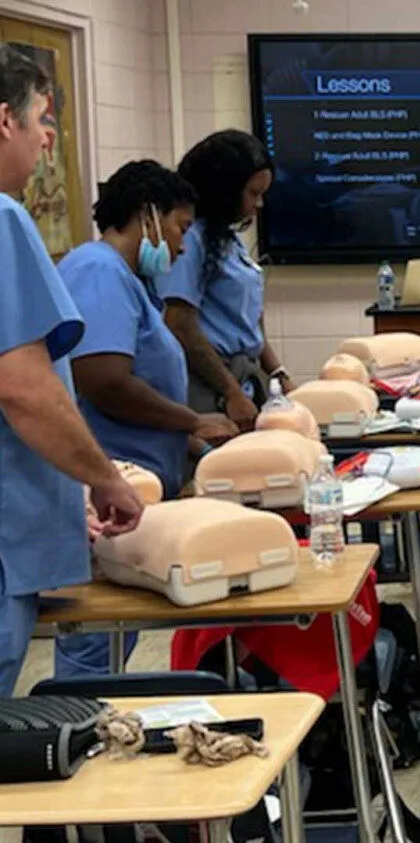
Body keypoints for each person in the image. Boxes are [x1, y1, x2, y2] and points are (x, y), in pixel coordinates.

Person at [52, 160, 239, 678]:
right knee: (97, 644)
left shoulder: (129, 280)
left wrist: (190, 445)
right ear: (148, 216)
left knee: (115, 638)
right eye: (179, 228)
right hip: (112, 485)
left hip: (140, 484)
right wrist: (190, 421)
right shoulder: (97, 270)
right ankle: (82, 738)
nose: (180, 247)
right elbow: (104, 380)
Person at [0, 45, 144, 697]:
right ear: (6, 122)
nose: (48, 137)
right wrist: (103, 478)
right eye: (41, 120)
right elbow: (25, 387)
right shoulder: (3, 220)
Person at [160, 129, 292, 429]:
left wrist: (277, 374)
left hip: (241, 376)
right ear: (225, 190)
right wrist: (231, 392)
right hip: (211, 386)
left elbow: (251, 322)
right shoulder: (190, 239)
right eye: (253, 194)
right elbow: (180, 324)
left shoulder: (226, 238)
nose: (259, 205)